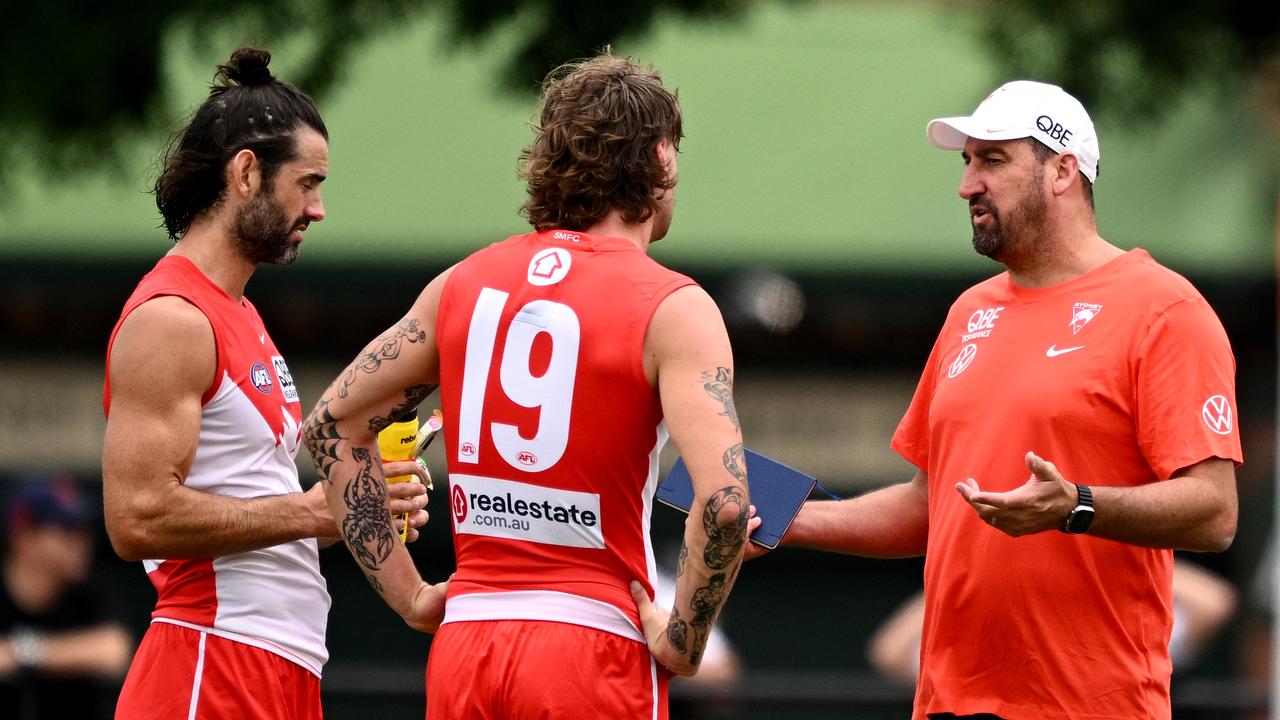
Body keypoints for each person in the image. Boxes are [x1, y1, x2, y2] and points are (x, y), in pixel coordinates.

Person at [756, 80, 1241, 720]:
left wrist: (1076, 505)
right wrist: (778, 517)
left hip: (1091, 707)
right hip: (949, 704)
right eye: (967, 163)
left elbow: (1215, 512)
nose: (967, 185)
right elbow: (930, 506)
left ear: (1062, 170)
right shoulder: (969, 312)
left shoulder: (1166, 311)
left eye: (993, 160)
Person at [303, 51, 751, 719]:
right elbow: (724, 505)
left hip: (468, 646)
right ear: (662, 159)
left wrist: (411, 594)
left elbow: (331, 425)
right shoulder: (674, 306)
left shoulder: (461, 284)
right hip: (591, 649)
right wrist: (683, 642)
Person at [100, 47, 429, 720]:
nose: (319, 209)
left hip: (278, 666)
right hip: (211, 660)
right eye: (307, 183)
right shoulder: (172, 318)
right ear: (247, 173)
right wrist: (314, 511)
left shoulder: (240, 312)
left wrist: (352, 510)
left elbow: (254, 500)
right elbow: (135, 518)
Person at [868, 558, 1239, 685]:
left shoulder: (1122, 643)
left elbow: (1214, 601)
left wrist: (1098, 553)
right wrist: (975, 566)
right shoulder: (990, 652)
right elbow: (890, 651)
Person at [0, 475, 132, 720]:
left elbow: (114, 650)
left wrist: (23, 653)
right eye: (67, 531)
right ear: (24, 536)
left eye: (84, 531)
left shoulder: (90, 589)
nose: (82, 543)